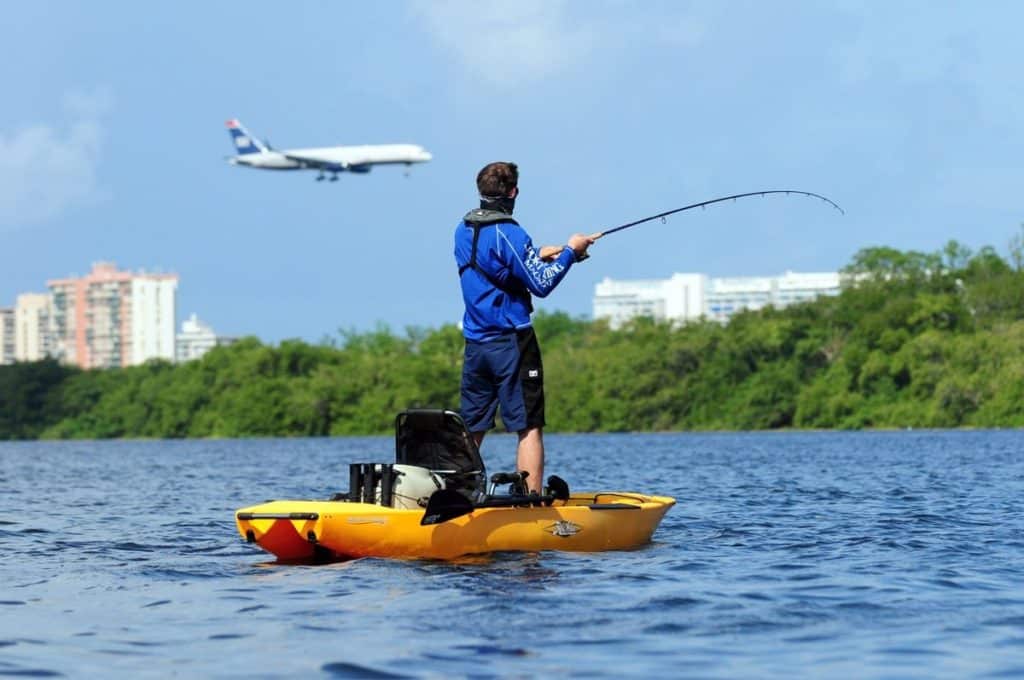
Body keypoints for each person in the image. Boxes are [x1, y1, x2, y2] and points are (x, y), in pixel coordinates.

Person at [454, 161, 595, 494]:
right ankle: (529, 498)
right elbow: (541, 285)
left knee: (472, 426)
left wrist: (536, 254)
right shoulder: (510, 232)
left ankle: (458, 493)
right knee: (528, 425)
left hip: (476, 344)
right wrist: (571, 253)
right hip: (511, 342)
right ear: (513, 192)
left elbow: (497, 266)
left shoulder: (462, 228)